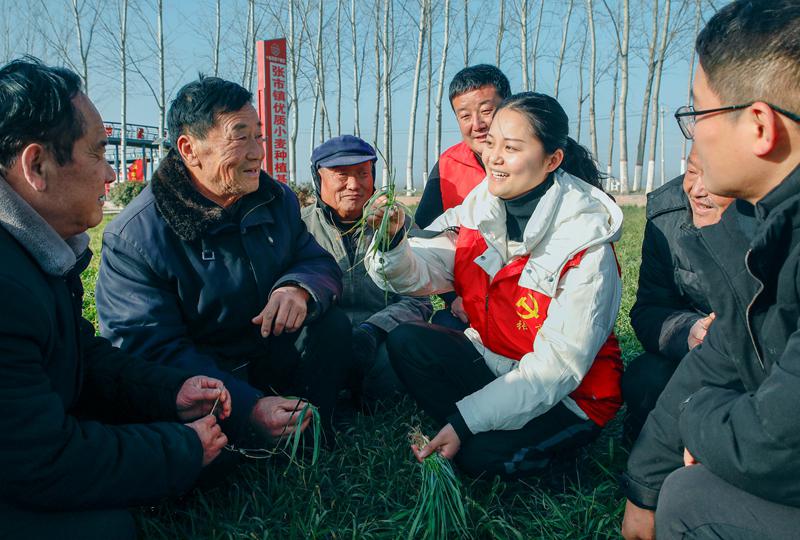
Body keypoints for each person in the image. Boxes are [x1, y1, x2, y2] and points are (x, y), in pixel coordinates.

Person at [0, 59, 231, 540]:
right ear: (36, 166)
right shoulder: (8, 286)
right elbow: (41, 460)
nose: (111, 173)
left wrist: (170, 393)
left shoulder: (38, 250)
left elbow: (79, 357)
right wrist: (181, 448)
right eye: (98, 152)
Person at [366, 92, 624, 479]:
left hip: (571, 395)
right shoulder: (479, 209)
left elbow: (555, 370)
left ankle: (554, 456)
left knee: (477, 458)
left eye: (511, 148)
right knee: (407, 341)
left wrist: (464, 423)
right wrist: (392, 241)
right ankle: (482, 425)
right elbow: (416, 272)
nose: (494, 158)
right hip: (496, 361)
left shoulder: (586, 246)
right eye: (491, 144)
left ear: (552, 160)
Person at [620, 1, 800, 538]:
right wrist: (643, 486)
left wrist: (699, 419)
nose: (693, 135)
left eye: (699, 113)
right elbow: (719, 353)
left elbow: (776, 445)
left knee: (690, 499)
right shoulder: (760, 227)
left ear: (760, 125)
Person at [95, 75, 351, 444]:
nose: (257, 152)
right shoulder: (136, 237)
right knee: (202, 456)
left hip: (267, 353)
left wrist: (298, 288)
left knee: (331, 326)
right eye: (240, 137)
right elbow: (151, 348)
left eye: (259, 136)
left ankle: (311, 434)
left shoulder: (275, 199)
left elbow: (317, 261)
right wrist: (248, 407)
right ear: (189, 149)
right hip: (204, 380)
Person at [302, 135, 432, 406]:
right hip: (322, 339)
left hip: (380, 338)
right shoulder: (299, 228)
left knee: (393, 371)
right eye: (341, 174)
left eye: (363, 173)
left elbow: (419, 299)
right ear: (318, 177)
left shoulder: (399, 224)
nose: (354, 185)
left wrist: (372, 330)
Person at [622, 149, 733, 441]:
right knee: (645, 379)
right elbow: (650, 309)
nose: (696, 190)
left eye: (714, 177)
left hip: (771, 364)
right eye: (692, 171)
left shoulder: (784, 217)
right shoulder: (666, 215)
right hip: (701, 356)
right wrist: (690, 331)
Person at [415, 64, 512, 330]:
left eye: (486, 111)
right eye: (465, 116)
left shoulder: (537, 157)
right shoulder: (447, 166)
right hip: (467, 306)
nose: (477, 125)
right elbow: (423, 242)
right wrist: (453, 298)